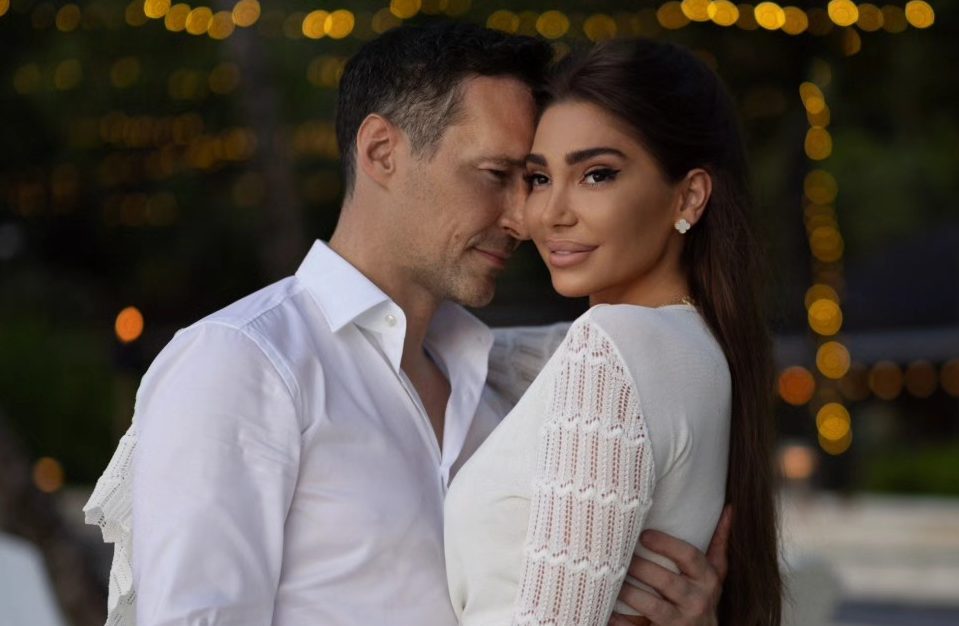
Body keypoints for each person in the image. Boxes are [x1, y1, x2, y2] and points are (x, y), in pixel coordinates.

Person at [83, 23, 728, 626]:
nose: (522, 217)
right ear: (382, 151)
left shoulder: (512, 378)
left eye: (528, 179)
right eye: (497, 175)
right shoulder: (244, 364)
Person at [443, 39, 782, 626]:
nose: (552, 214)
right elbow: (479, 354)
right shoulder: (701, 348)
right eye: (539, 178)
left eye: (597, 175)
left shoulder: (612, 347)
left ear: (689, 197)